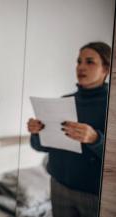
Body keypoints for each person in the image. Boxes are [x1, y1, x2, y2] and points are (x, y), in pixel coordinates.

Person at [27, 42, 111, 217]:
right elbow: (41, 147)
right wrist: (37, 133)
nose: (81, 67)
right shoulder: (63, 101)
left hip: (94, 194)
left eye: (89, 62)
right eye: (78, 61)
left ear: (106, 69)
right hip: (58, 185)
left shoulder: (111, 106)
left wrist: (96, 139)